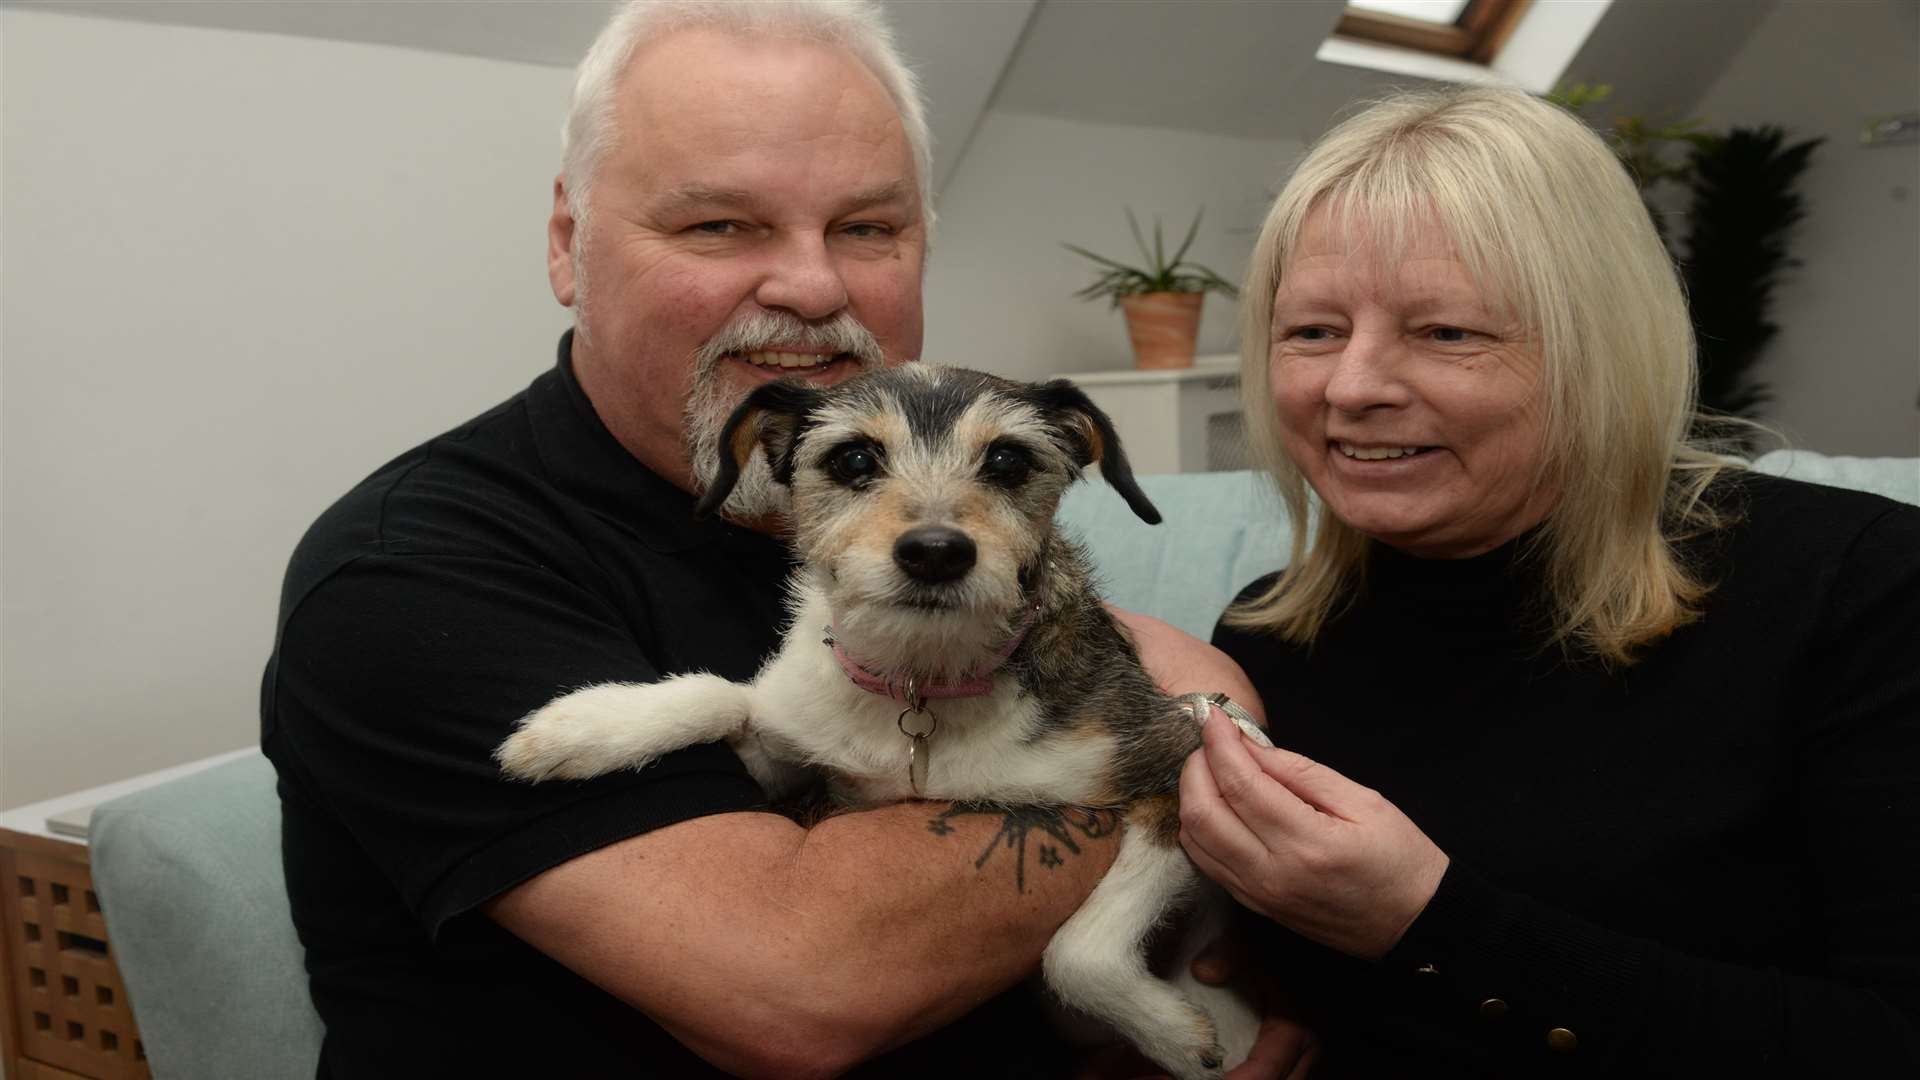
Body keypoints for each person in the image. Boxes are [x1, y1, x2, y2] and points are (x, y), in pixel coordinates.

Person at [262, 2, 1300, 1077]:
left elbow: (1099, 663)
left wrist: (1205, 734)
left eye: (867, 228)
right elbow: (803, 989)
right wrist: (1203, 753)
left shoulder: (907, 519)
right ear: (570, 246)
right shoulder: (412, 573)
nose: (812, 288)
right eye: (719, 225)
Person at [1169, 84, 1920, 1075]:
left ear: (1595, 354)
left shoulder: (1864, 590)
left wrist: (1431, 924)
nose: (1351, 387)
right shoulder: (1267, 637)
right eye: (1312, 332)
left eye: (1447, 332)